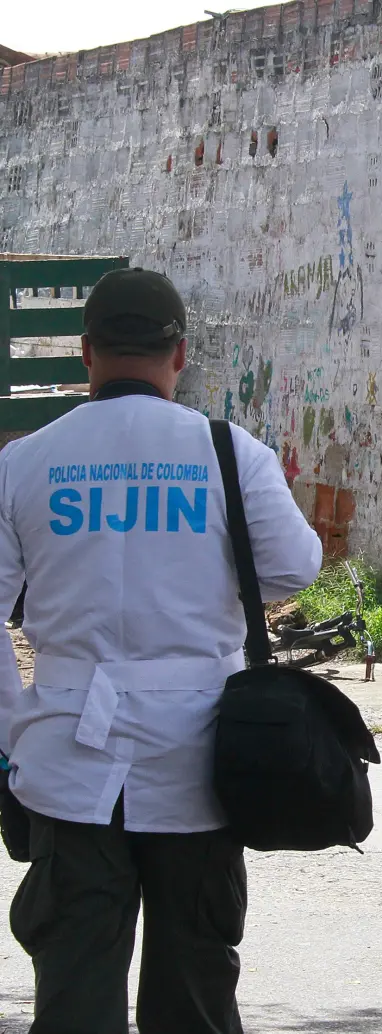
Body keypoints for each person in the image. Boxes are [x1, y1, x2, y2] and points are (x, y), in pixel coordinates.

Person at [0, 268, 322, 1033]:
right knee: (196, 985)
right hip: (200, 756)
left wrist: (14, 729)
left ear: (86, 354)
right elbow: (294, 566)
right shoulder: (228, 452)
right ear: (179, 354)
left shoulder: (25, 461)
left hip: (68, 755)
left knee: (75, 985)